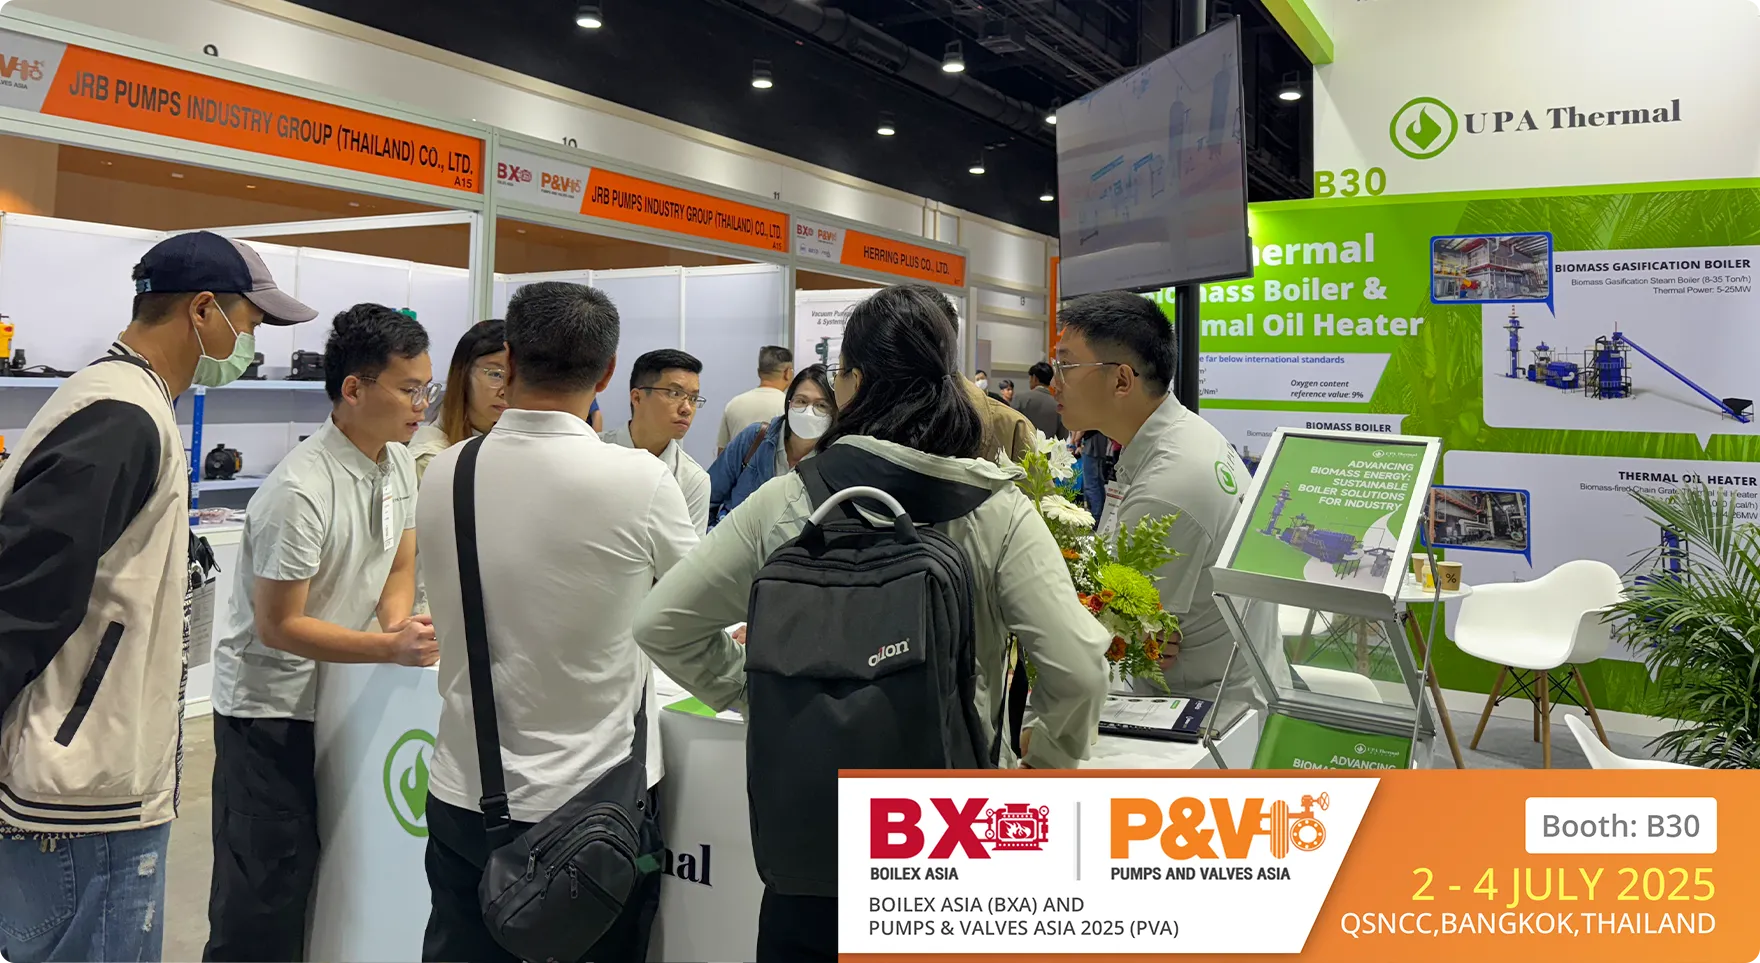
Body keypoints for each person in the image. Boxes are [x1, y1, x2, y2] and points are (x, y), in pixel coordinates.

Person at [633, 283, 1109, 962]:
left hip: (810, 837)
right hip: (949, 840)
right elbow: (1079, 666)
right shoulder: (994, 508)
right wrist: (1046, 765)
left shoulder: (789, 498)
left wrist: (752, 689)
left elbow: (662, 623)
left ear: (853, 383)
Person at [0, 232, 313, 963]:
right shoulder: (121, 416)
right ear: (203, 310)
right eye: (250, 323)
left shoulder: (127, 400)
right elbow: (25, 598)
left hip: (90, 775)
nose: (250, 346)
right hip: (82, 793)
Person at [417, 280, 694, 963]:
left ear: (509, 360)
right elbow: (696, 608)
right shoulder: (641, 480)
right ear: (608, 373)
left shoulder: (446, 471)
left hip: (466, 792)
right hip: (598, 810)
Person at [204, 304, 441, 963]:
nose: (421, 404)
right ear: (354, 388)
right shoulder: (299, 489)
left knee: (339, 873)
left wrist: (398, 621)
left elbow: (399, 561)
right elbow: (280, 625)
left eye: (427, 388)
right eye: (408, 388)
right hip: (272, 711)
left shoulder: (397, 462)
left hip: (348, 696)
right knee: (264, 894)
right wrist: (388, 648)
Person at [1051, 291, 1287, 711]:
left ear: (1122, 381)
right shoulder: (1182, 436)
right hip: (1215, 690)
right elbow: (1134, 631)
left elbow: (1116, 642)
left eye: (1066, 366)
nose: (1055, 384)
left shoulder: (1168, 488)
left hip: (1201, 718)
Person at [708, 363, 834, 524]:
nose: (808, 412)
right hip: (733, 535)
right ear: (789, 403)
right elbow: (708, 496)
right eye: (801, 401)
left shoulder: (833, 458)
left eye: (821, 405)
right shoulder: (755, 438)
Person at [602, 349, 712, 532]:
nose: (687, 408)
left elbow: (692, 550)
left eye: (693, 398)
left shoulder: (692, 481)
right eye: (675, 393)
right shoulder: (594, 450)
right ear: (637, 398)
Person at [410, 319, 507, 481]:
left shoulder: (504, 443)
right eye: (496, 374)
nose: (507, 391)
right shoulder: (431, 459)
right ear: (463, 374)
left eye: (516, 376)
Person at [717, 344, 792, 454]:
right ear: (787, 373)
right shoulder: (790, 407)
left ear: (759, 372)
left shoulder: (733, 404)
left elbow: (722, 454)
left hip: (738, 466)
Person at [1014, 360, 1066, 439]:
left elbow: (1011, 426)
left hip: (1023, 445)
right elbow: (1063, 435)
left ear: (1034, 378)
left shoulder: (1020, 399)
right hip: (1049, 446)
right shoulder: (1058, 404)